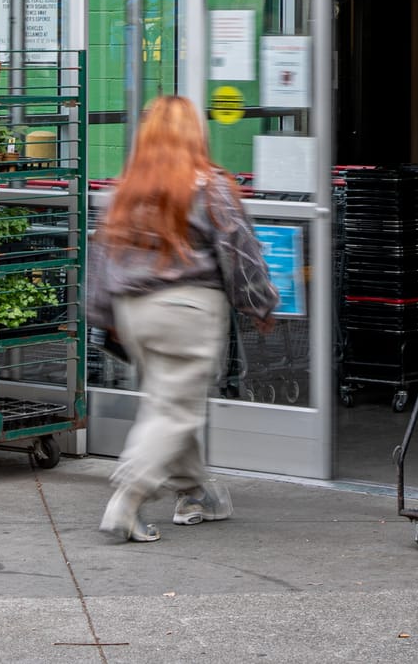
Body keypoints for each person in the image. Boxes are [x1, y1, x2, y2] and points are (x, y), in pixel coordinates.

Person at [87, 95, 279, 543]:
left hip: (134, 312)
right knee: (176, 411)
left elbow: (101, 257)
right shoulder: (208, 186)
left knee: (167, 401)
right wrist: (259, 303)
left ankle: (196, 491)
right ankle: (128, 497)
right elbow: (240, 252)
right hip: (188, 311)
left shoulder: (124, 189)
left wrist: (104, 318)